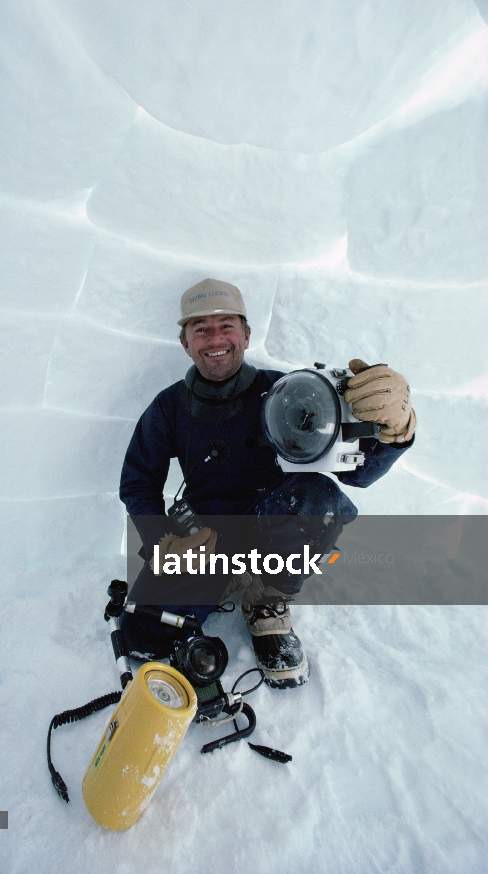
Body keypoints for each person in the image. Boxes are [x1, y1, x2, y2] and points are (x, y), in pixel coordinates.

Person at [119, 279, 416, 687]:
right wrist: (162, 541)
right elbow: (138, 481)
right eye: (200, 328)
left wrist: (393, 433)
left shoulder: (289, 394)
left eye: (226, 325)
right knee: (143, 634)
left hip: (278, 523)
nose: (215, 338)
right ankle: (228, 577)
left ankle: (267, 601)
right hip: (208, 540)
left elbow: (358, 473)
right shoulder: (169, 406)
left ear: (246, 335)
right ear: (186, 344)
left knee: (319, 499)